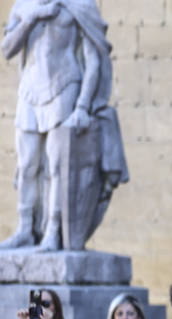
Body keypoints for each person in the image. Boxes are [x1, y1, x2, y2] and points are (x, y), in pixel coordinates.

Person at [0, 0, 128, 251]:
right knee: (27, 165)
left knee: (59, 166)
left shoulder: (80, 5)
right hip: (29, 91)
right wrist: (33, 17)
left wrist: (82, 106)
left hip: (65, 86)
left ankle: (53, 231)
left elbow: (94, 60)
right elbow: (7, 49)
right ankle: (25, 229)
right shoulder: (24, 5)